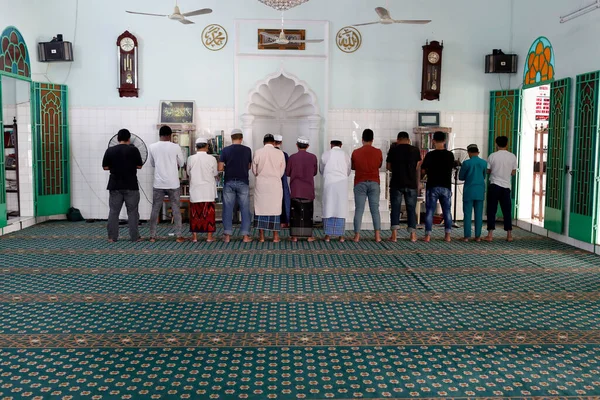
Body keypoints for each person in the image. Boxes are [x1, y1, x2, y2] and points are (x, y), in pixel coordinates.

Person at [102, 128, 143, 242]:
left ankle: (112, 237)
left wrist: (115, 167)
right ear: (129, 139)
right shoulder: (134, 150)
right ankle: (135, 237)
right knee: (133, 212)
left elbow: (105, 167)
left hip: (115, 185)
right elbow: (139, 166)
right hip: (131, 185)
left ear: (117, 138)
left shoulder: (110, 150)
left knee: (114, 212)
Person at [148, 125, 185, 243]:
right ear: (170, 135)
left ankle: (152, 236)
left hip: (158, 183)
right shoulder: (176, 147)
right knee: (176, 209)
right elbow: (182, 163)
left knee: (155, 209)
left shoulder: (152, 147)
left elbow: (152, 164)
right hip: (173, 183)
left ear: (160, 135)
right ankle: (178, 236)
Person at [386, 131, 422, 243]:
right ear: (408, 139)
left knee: (395, 209)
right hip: (411, 184)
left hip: (396, 183)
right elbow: (418, 165)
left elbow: (388, 166)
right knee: (411, 209)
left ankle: (394, 236)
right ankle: (413, 236)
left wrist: (396, 170)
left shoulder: (393, 150)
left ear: (398, 139)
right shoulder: (415, 150)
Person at [218, 129, 253, 243]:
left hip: (229, 182)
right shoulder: (247, 150)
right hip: (243, 181)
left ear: (231, 138)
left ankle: (227, 236)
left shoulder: (225, 150)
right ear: (241, 138)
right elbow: (249, 166)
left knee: (227, 208)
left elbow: (220, 168)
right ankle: (245, 236)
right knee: (245, 209)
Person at [421, 131, 455, 242]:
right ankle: (448, 236)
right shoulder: (450, 155)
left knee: (430, 211)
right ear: (445, 141)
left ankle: (427, 236)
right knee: (447, 211)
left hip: (432, 186)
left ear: (433, 141)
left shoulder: (430, 155)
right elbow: (453, 167)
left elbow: (423, 170)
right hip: (446, 186)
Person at [351, 129, 383, 243]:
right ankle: (377, 236)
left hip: (360, 182)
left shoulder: (356, 152)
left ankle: (357, 236)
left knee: (359, 209)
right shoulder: (378, 152)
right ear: (372, 140)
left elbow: (353, 167)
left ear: (362, 139)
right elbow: (379, 164)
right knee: (375, 209)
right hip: (374, 182)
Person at [252, 134, 286, 243]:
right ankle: (275, 236)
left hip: (261, 184)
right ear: (273, 142)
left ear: (264, 142)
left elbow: (254, 170)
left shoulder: (258, 152)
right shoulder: (280, 153)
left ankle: (262, 237)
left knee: (260, 209)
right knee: (274, 209)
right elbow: (282, 171)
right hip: (275, 184)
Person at [485, 135, 518, 242]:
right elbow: (513, 172)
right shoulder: (512, 156)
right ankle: (509, 235)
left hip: (494, 185)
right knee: (507, 211)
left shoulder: (492, 156)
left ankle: (490, 235)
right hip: (506, 187)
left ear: (496, 144)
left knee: (491, 210)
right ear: (507, 144)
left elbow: (488, 170)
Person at [286, 136, 318, 242]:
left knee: (295, 213)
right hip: (308, 189)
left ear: (296, 145)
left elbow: (287, 173)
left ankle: (294, 237)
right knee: (308, 213)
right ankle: (309, 236)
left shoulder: (292, 157)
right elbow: (314, 172)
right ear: (308, 146)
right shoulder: (313, 157)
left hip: (296, 189)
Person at [187, 137, 218, 243]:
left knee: (195, 213)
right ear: (207, 146)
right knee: (209, 214)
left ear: (196, 147)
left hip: (196, 189)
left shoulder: (191, 158)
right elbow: (215, 174)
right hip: (208, 190)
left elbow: (188, 173)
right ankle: (209, 237)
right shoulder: (212, 159)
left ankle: (194, 237)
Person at [320, 137, 351, 242]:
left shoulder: (326, 154)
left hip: (329, 184)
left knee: (329, 207)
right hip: (342, 185)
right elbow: (348, 171)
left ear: (331, 145)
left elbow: (321, 169)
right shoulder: (345, 155)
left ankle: (328, 236)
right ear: (341, 145)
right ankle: (341, 236)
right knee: (340, 209)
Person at [459, 144, 487, 242]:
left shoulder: (466, 163)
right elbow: (484, 176)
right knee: (478, 214)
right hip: (479, 190)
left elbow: (461, 177)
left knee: (467, 214)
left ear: (469, 153)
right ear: (478, 152)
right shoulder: (484, 163)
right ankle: (478, 237)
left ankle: (467, 236)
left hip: (469, 191)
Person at [274, 134, 291, 228]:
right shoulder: (284, 154)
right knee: (283, 199)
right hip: (282, 179)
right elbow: (287, 170)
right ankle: (284, 221)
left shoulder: (269, 153)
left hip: (271, 179)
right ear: (281, 142)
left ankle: (273, 221)